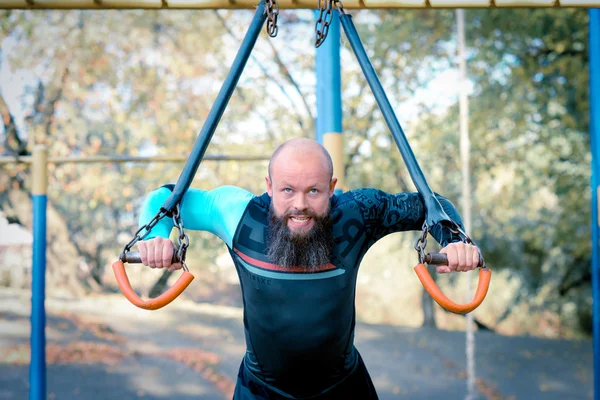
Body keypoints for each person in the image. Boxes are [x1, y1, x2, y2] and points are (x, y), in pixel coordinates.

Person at [136, 138, 480, 400]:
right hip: (260, 390)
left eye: (314, 191)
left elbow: (431, 206)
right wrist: (156, 237)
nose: (299, 204)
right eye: (287, 190)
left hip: (344, 389)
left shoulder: (358, 213)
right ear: (269, 186)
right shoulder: (238, 215)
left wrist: (453, 241)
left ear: (331, 188)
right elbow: (165, 199)